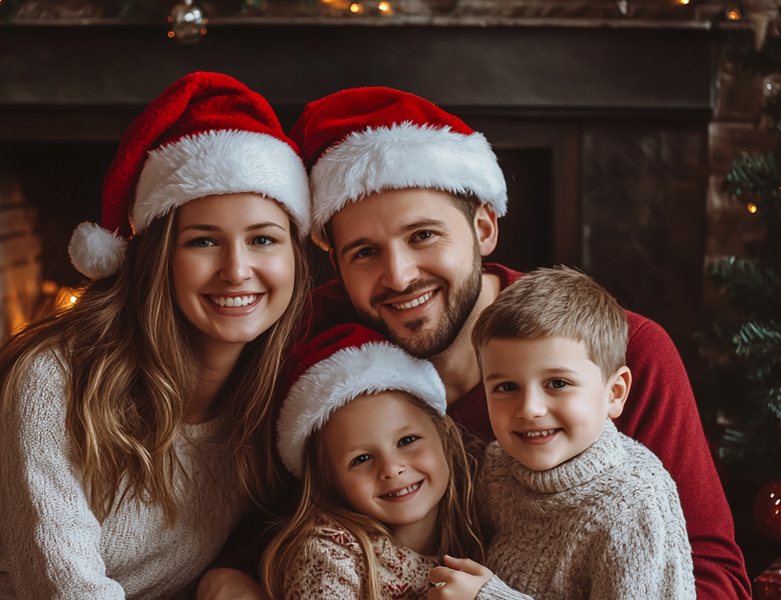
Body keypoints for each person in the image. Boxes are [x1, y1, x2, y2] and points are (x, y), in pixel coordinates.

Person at [281, 86, 750, 600]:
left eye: (423, 236)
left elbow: (710, 575)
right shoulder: (322, 348)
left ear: (483, 228)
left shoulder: (616, 350)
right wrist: (233, 577)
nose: (399, 276)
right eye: (364, 252)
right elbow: (261, 512)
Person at [0, 71, 311, 599]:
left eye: (263, 239)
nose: (237, 270)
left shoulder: (278, 392)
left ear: (295, 256)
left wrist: (233, 576)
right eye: (203, 242)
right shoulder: (53, 379)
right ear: (157, 259)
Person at [472, 267, 696, 599]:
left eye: (557, 383)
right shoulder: (496, 468)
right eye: (506, 386)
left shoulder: (632, 505)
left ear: (615, 392)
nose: (530, 408)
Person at [262, 323, 510, 600]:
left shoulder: (486, 504)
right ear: (327, 478)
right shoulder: (327, 558)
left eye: (407, 441)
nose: (392, 469)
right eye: (362, 459)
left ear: (445, 433)